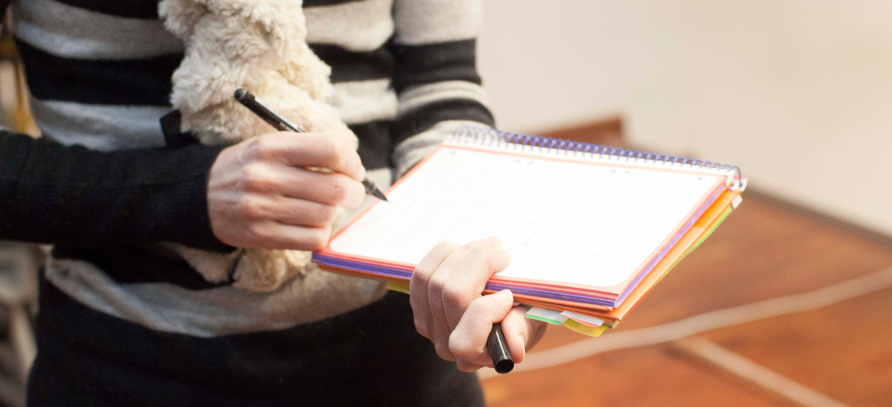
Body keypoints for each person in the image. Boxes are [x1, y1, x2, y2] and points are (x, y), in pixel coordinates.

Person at [0, 0, 546, 405]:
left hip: (402, 364)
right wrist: (181, 193)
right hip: (129, 368)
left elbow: (442, 84)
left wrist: (473, 260)